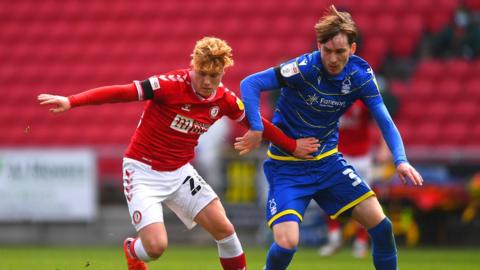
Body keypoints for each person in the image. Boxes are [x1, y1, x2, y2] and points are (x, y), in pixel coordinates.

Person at [38, 37, 319, 270]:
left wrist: (292, 145)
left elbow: (260, 125)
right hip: (142, 171)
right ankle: (133, 250)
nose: (208, 81)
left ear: (223, 73)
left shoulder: (224, 99)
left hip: (180, 172)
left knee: (225, 230)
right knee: (156, 247)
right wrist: (71, 101)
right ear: (192, 66)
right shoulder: (168, 85)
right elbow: (121, 92)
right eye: (203, 74)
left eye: (215, 75)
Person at [234, 6, 423, 270]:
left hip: (328, 164)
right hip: (287, 168)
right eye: (328, 51)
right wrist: (256, 127)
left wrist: (401, 160)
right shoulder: (303, 68)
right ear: (318, 46)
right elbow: (250, 84)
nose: (333, 59)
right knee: (287, 243)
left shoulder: (360, 75)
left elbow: (385, 120)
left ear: (353, 49)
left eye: (340, 52)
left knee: (382, 227)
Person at [318, 100, 375, 258]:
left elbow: (380, 119)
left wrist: (384, 148)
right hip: (339, 155)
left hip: (362, 157)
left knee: (364, 202)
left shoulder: (362, 100)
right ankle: (334, 239)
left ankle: (361, 242)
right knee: (327, 195)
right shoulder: (331, 99)